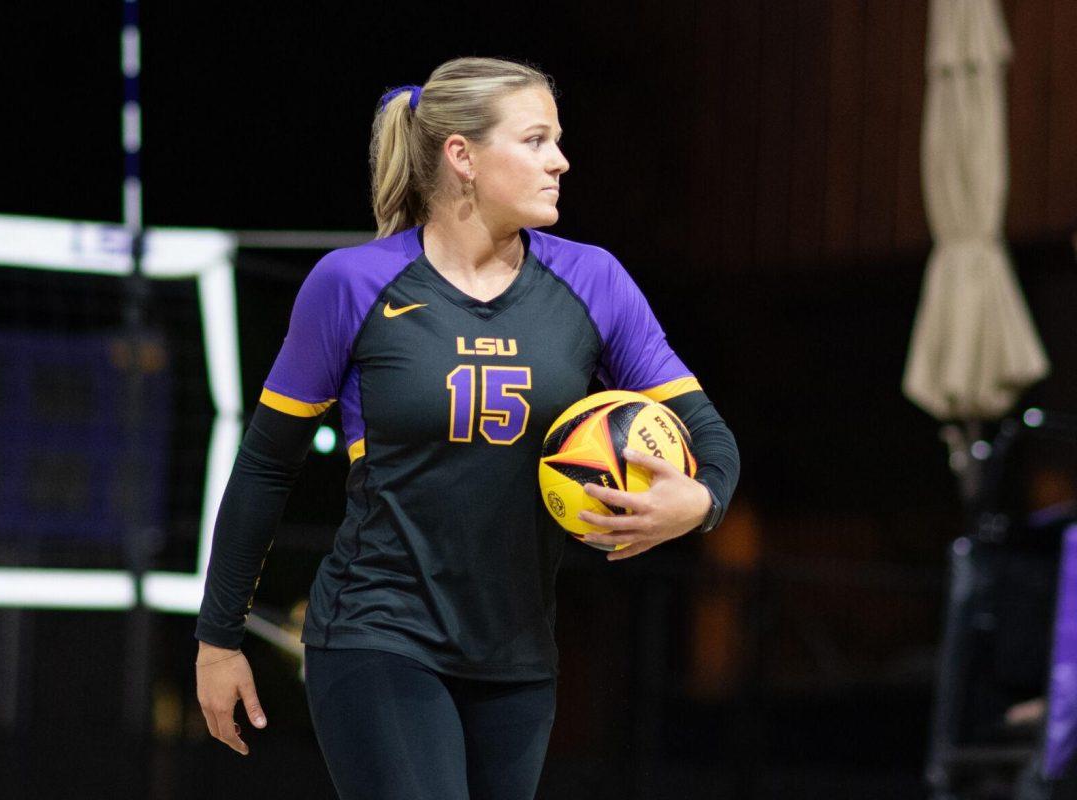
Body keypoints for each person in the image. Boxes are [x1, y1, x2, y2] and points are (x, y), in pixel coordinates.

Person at [194, 56, 740, 800]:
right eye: (537, 140)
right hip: (376, 633)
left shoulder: (594, 281)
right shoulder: (352, 284)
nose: (561, 161)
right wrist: (218, 640)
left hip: (516, 654)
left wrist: (700, 503)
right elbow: (264, 467)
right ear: (463, 157)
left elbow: (708, 439)